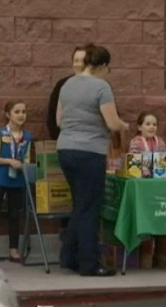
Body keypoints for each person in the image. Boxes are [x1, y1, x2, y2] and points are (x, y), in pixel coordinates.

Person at [56, 43, 129, 277]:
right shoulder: (101, 87)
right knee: (89, 209)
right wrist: (124, 126)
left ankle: (69, 257)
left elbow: (59, 120)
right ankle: (89, 263)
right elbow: (112, 122)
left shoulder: (67, 84)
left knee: (80, 205)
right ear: (102, 66)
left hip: (65, 148)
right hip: (90, 151)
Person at [0, 99, 32, 262]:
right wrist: (9, 161)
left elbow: (27, 156)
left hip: (16, 179)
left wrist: (23, 163)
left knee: (14, 214)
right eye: (17, 112)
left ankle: (13, 249)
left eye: (23, 112)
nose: (21, 115)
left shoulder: (26, 136)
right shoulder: (0, 134)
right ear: (8, 115)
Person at [47, 46, 86, 140]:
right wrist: (58, 139)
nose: (79, 64)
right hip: (67, 141)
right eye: (76, 61)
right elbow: (52, 116)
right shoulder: (62, 85)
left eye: (83, 61)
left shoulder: (99, 86)